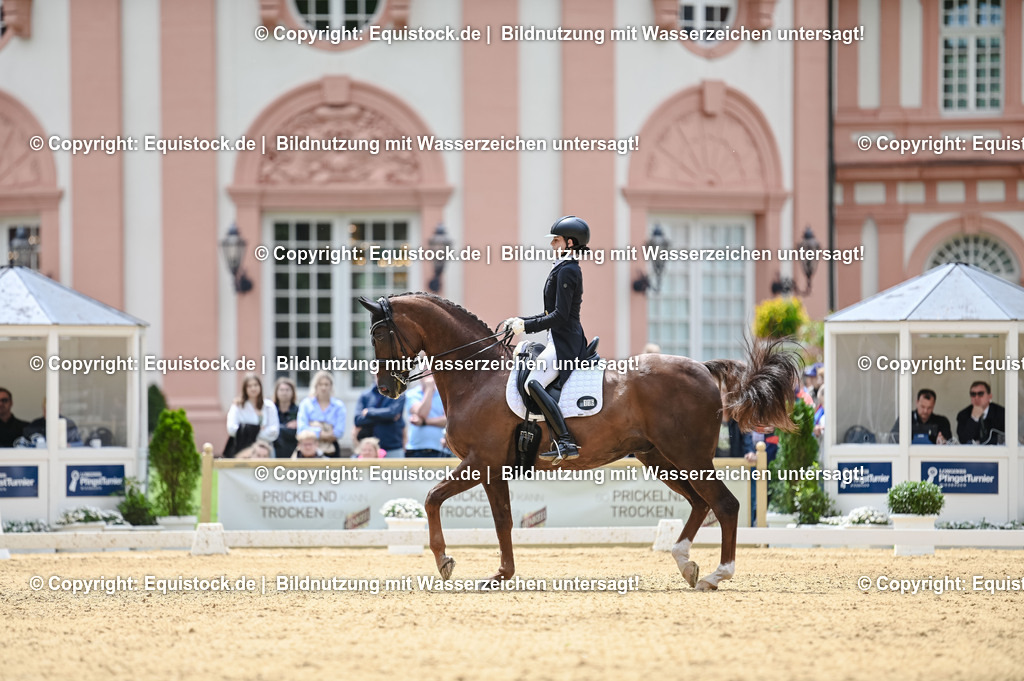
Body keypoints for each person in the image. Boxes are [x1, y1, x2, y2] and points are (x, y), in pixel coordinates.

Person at [503, 215, 591, 462]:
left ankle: (565, 441)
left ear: (570, 243)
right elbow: (547, 314)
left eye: (557, 239)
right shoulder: (561, 268)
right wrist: (520, 320)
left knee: (533, 383)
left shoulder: (569, 270)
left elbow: (560, 316)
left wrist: (527, 326)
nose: (552, 244)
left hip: (566, 342)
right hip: (557, 338)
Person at [354, 376, 406, 458]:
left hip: (393, 449)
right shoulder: (365, 395)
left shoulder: (399, 394)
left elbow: (392, 413)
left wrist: (369, 412)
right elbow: (358, 420)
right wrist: (386, 416)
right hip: (369, 451)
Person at [226, 374, 279, 455]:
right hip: (243, 451)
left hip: (265, 450)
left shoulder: (269, 405)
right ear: (245, 389)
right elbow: (232, 429)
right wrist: (257, 429)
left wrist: (247, 431)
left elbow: (274, 432)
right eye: (249, 386)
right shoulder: (237, 406)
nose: (253, 388)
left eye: (255, 385)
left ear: (260, 387)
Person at [297, 370, 346, 457]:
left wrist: (313, 426)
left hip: (331, 449)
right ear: (315, 386)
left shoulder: (339, 406)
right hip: (308, 448)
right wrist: (324, 431)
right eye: (320, 384)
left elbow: (339, 432)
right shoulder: (306, 404)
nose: (323, 387)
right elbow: (301, 429)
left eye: (326, 384)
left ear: (331, 386)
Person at [405, 375, 448, 458]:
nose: (429, 376)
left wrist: (423, 422)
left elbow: (448, 420)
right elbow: (422, 414)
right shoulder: (411, 394)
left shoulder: (445, 394)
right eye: (426, 372)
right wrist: (429, 389)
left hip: (440, 449)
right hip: (415, 449)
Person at [956, 381, 1005, 445]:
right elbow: (963, 440)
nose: (976, 397)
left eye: (980, 394)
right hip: (972, 453)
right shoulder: (963, 414)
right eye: (973, 394)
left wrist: (980, 442)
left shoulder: (1001, 412)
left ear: (990, 396)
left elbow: (1005, 437)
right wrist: (974, 419)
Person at [272, 377, 299, 459]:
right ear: (276, 392)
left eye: (287, 390)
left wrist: (277, 428)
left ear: (292, 392)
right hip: (273, 452)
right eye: (281, 390)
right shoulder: (271, 409)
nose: (284, 393)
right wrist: (284, 428)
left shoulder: (298, 410)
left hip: (293, 454)